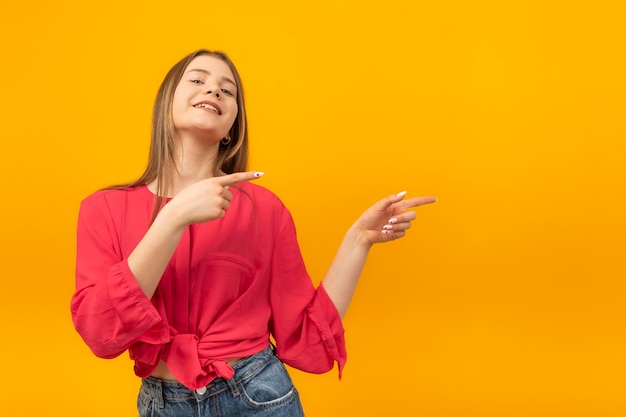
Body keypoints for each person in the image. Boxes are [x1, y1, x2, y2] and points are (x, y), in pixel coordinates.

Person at [70, 49, 436, 417]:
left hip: (258, 396)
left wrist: (359, 240)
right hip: (164, 404)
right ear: (166, 104)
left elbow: (306, 336)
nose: (213, 91)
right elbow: (101, 332)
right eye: (197, 80)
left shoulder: (264, 210)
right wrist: (173, 217)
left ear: (232, 127)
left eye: (227, 91)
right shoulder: (103, 209)